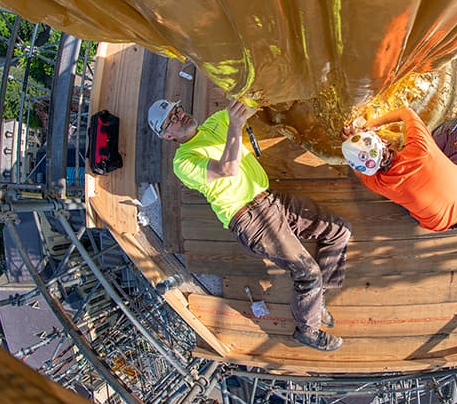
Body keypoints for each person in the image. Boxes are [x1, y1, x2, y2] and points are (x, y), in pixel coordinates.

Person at [148, 98, 350, 351]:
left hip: (270, 200)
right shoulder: (183, 161)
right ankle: (307, 331)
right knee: (307, 273)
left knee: (338, 230)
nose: (180, 116)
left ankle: (317, 301)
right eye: (172, 120)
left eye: (178, 110)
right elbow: (227, 169)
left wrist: (272, 92)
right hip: (249, 219)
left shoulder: (214, 122)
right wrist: (234, 125)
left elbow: (252, 103)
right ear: (167, 136)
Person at [341, 107, 457, 231]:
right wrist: (374, 123)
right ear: (384, 142)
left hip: (438, 224)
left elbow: (360, 174)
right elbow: (405, 111)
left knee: (404, 199)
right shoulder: (420, 145)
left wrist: (349, 145)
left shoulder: (378, 184)